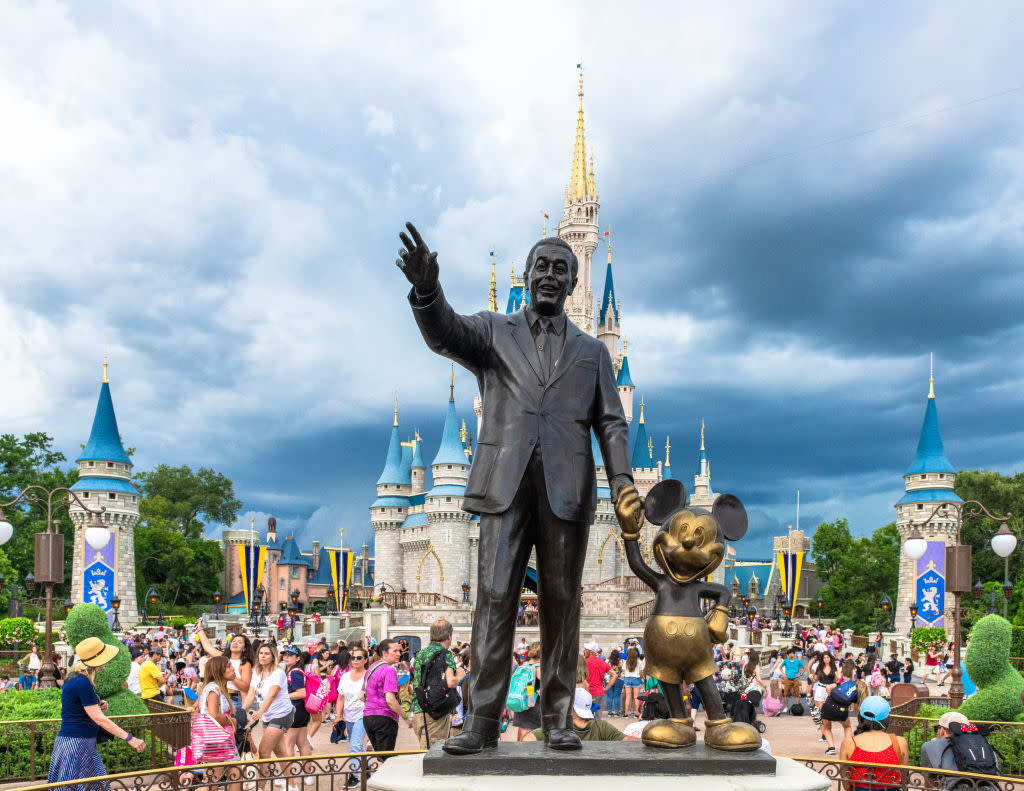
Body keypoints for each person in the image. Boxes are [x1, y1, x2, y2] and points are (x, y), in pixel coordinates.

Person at [398, 224, 633, 754]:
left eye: (561, 269)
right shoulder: (494, 331)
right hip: (503, 489)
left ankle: (557, 720)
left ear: (574, 284)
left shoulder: (593, 352)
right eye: (541, 267)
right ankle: (482, 722)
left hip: (567, 491)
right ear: (527, 277)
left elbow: (612, 423)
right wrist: (427, 293)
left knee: (562, 603)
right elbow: (446, 334)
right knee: (495, 599)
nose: (550, 275)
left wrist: (621, 482)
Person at [48, 637, 146, 788]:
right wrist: (130, 738)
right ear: (95, 660)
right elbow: (100, 719)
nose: (105, 662)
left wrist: (95, 706)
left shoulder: (73, 678)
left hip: (75, 742)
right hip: (78, 744)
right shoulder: (82, 682)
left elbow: (66, 706)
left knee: (95, 786)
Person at [243, 642, 294, 788]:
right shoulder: (257, 672)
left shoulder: (278, 672)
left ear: (273, 657)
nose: (263, 656)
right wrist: (242, 710)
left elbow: (272, 694)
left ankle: (260, 787)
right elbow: (251, 693)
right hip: (268, 716)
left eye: (266, 653)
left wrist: (260, 712)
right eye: (260, 653)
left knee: (264, 751)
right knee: (280, 752)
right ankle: (292, 785)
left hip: (282, 714)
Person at [839, 696, 908, 791]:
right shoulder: (900, 742)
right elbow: (904, 779)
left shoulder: (848, 743)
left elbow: (846, 783)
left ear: (861, 716)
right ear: (887, 718)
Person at [524, 688, 638, 742]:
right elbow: (628, 740)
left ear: (571, 708)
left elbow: (528, 739)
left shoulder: (558, 727)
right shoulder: (602, 727)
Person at [411, 619, 458, 748]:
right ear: (449, 636)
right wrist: (461, 673)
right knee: (432, 755)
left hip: (418, 710)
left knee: (425, 749)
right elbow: (451, 682)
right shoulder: (446, 655)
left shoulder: (421, 653)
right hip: (435, 713)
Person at [195, 656, 240, 788]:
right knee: (212, 781)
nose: (233, 668)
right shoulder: (214, 689)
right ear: (219, 670)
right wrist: (231, 721)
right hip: (217, 740)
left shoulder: (214, 688)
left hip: (220, 739)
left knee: (235, 774)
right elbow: (213, 715)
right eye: (228, 666)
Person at [363, 639, 412, 754]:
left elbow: (362, 695)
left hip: (368, 717)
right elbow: (390, 700)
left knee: (380, 756)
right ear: (384, 653)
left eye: (399, 651)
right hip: (384, 718)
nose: (399, 654)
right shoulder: (389, 670)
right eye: (395, 651)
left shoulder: (371, 668)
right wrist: (405, 717)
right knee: (385, 760)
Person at [336, 646, 369, 788]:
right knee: (356, 746)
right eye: (353, 658)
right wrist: (338, 716)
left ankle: (355, 776)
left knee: (354, 745)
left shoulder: (368, 675)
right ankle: (366, 770)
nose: (355, 660)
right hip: (349, 715)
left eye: (359, 658)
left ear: (365, 660)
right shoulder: (344, 676)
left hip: (364, 714)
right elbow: (341, 698)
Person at [281, 647, 314, 786]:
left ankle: (287, 777)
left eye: (290, 655)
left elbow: (301, 693)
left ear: (298, 658)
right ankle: (308, 775)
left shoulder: (294, 672)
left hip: (294, 710)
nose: (286, 657)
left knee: (287, 744)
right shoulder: (296, 671)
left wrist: (282, 697)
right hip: (301, 711)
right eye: (285, 655)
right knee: (303, 743)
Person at [513, 642, 542, 740]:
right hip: (534, 708)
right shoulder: (539, 667)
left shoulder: (525, 665)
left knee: (522, 738)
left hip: (522, 706)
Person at [583, 642, 611, 718]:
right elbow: (614, 675)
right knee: (598, 715)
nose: (584, 651)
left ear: (591, 652)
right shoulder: (602, 662)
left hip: (588, 692)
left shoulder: (585, 662)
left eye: (586, 649)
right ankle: (598, 729)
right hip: (599, 692)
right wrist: (606, 688)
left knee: (587, 715)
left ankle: (589, 729)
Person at [621, 647, 643, 718]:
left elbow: (623, 670)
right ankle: (637, 714)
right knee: (636, 697)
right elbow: (641, 672)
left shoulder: (626, 661)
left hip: (627, 678)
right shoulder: (639, 661)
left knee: (628, 697)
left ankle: (626, 714)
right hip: (636, 678)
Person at [605, 651, 623, 716]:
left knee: (609, 696)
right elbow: (622, 671)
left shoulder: (607, 661)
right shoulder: (620, 662)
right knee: (617, 696)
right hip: (618, 679)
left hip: (608, 679)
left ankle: (609, 712)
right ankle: (616, 712)